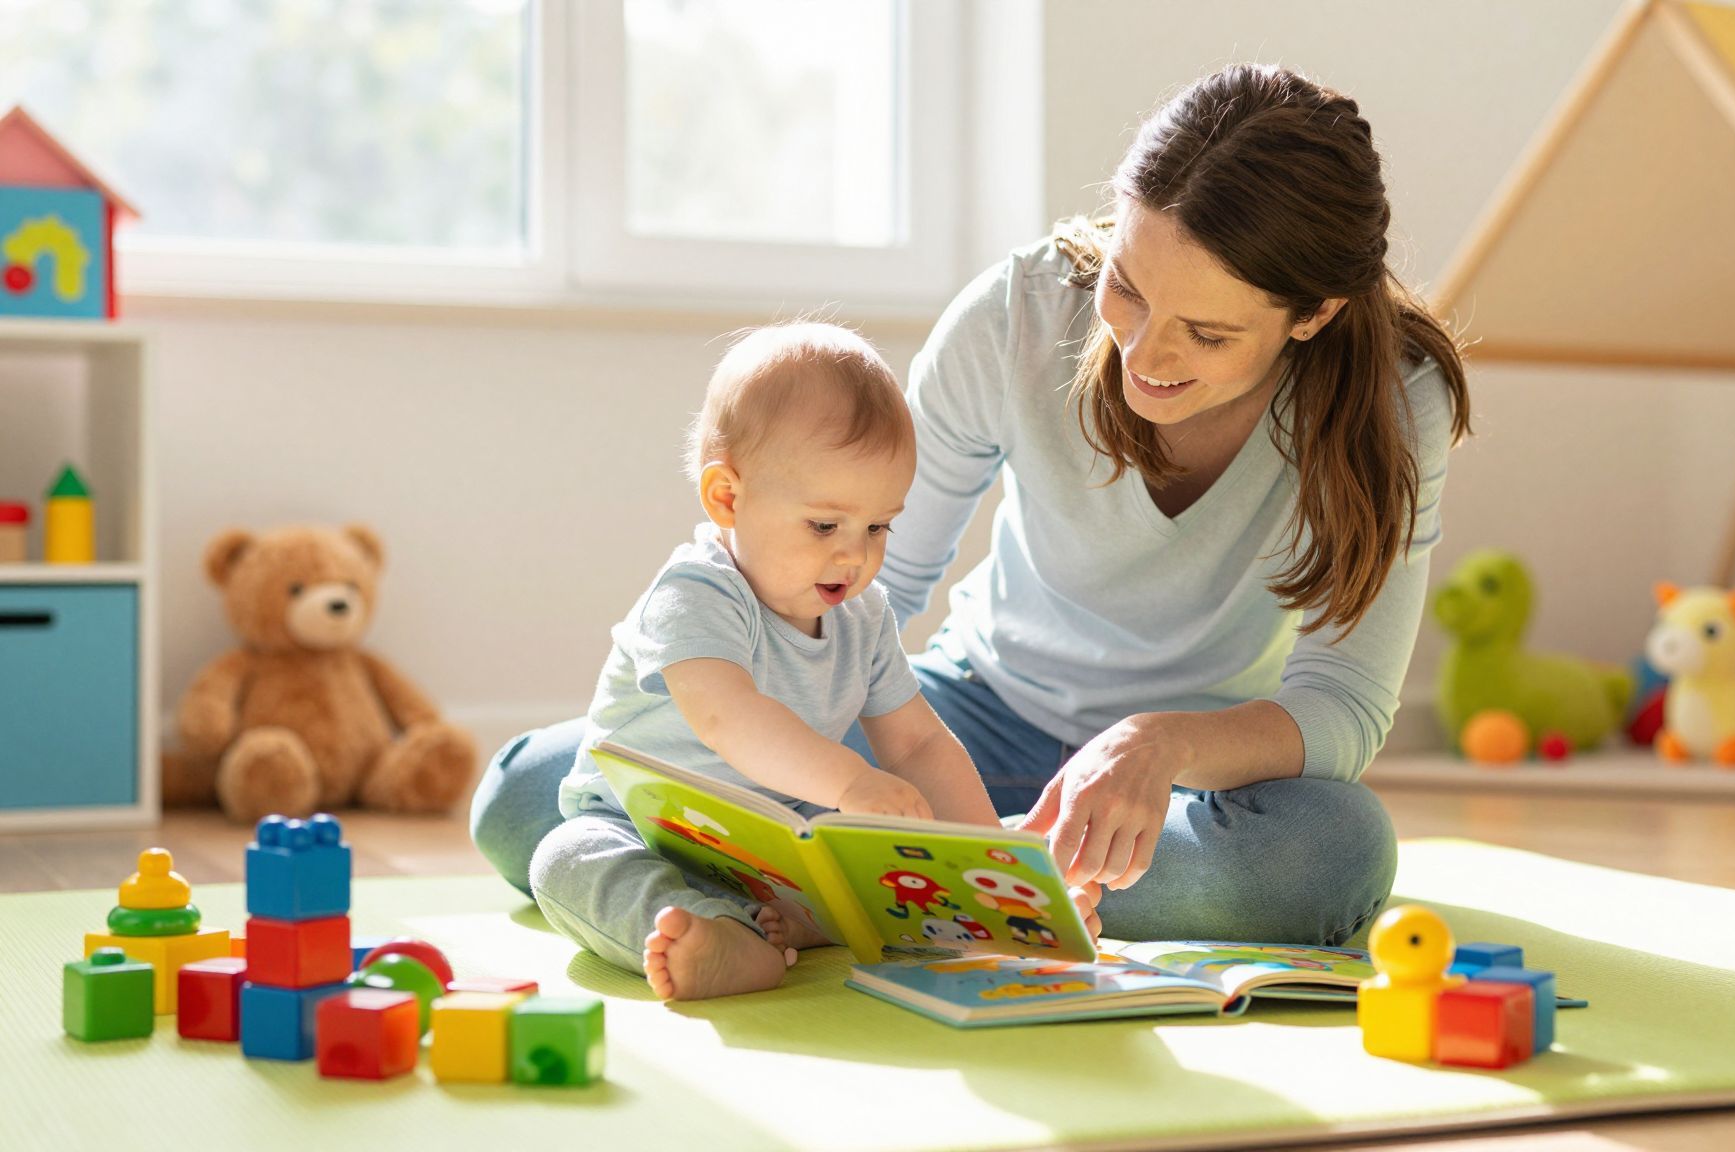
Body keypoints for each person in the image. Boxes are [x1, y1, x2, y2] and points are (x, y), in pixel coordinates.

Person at [473, 62, 1471, 950]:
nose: (1143, 353)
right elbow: (876, 580)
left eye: (1204, 334)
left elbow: (1340, 704)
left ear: (1312, 316)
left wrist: (1158, 743)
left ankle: (874, 883)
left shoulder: (1393, 399)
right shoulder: (1023, 311)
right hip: (966, 718)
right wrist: (797, 735)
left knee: (1324, 860)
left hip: (1179, 784)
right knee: (531, 795)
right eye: (1127, 289)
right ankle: (954, 879)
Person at [540, 322, 1014, 1001]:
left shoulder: (864, 614)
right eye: (825, 525)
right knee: (565, 860)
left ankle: (779, 925)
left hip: (776, 850)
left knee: (874, 859)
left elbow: (916, 744)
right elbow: (725, 717)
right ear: (727, 498)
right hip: (639, 827)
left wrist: (988, 870)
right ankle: (716, 937)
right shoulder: (695, 594)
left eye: (878, 526)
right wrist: (853, 782)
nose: (855, 555)